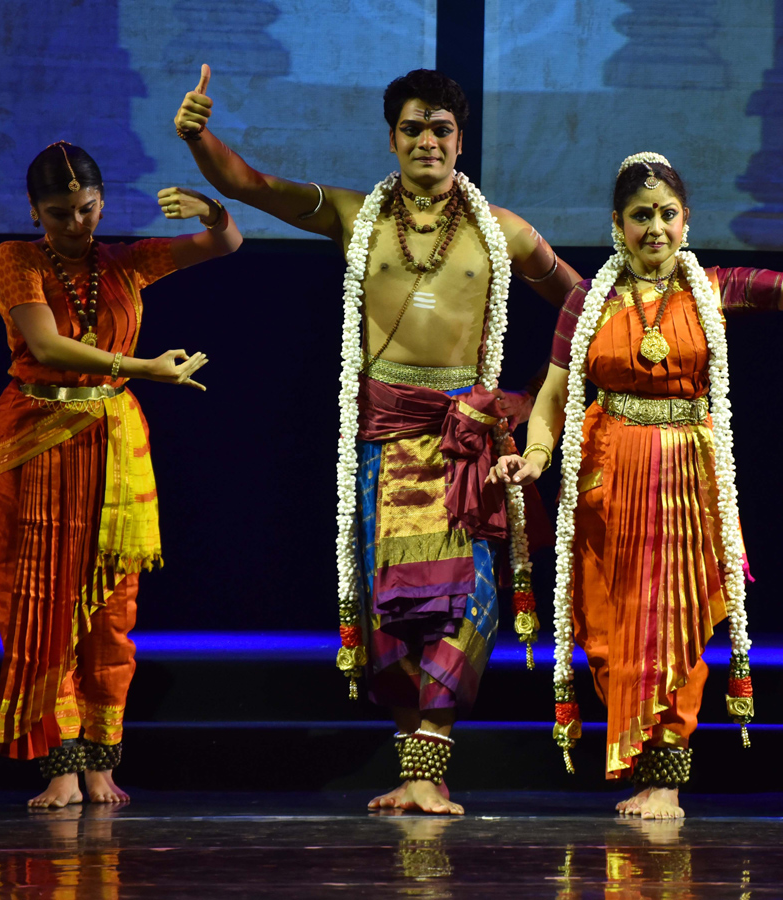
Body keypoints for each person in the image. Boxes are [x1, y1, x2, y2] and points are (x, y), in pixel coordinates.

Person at [174, 66, 579, 815]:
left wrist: (545, 397)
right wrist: (200, 137)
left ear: (462, 139)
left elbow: (581, 304)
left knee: (472, 601)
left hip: (465, 439)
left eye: (442, 129)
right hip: (384, 436)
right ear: (392, 139)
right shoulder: (357, 216)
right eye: (413, 128)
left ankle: (432, 757)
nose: (428, 140)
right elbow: (252, 184)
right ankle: (417, 771)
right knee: (390, 608)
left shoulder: (504, 230)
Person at [489, 152, 783, 818]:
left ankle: (666, 774)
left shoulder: (713, 287)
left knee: (674, 622)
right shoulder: (588, 301)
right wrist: (534, 457)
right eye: (641, 216)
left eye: (667, 214)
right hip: (607, 481)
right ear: (617, 223)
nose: (655, 228)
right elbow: (553, 395)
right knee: (611, 628)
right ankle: (637, 757)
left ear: (686, 220)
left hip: (683, 484)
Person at [0, 141, 242, 808]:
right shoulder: (15, 260)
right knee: (41, 602)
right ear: (35, 211)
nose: (77, 224)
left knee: (111, 609)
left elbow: (225, 245)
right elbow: (43, 344)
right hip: (36, 443)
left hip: (111, 442)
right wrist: (141, 368)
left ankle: (100, 763)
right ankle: (58, 768)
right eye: (59, 213)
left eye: (87, 208)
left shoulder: (123, 263)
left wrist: (212, 210)